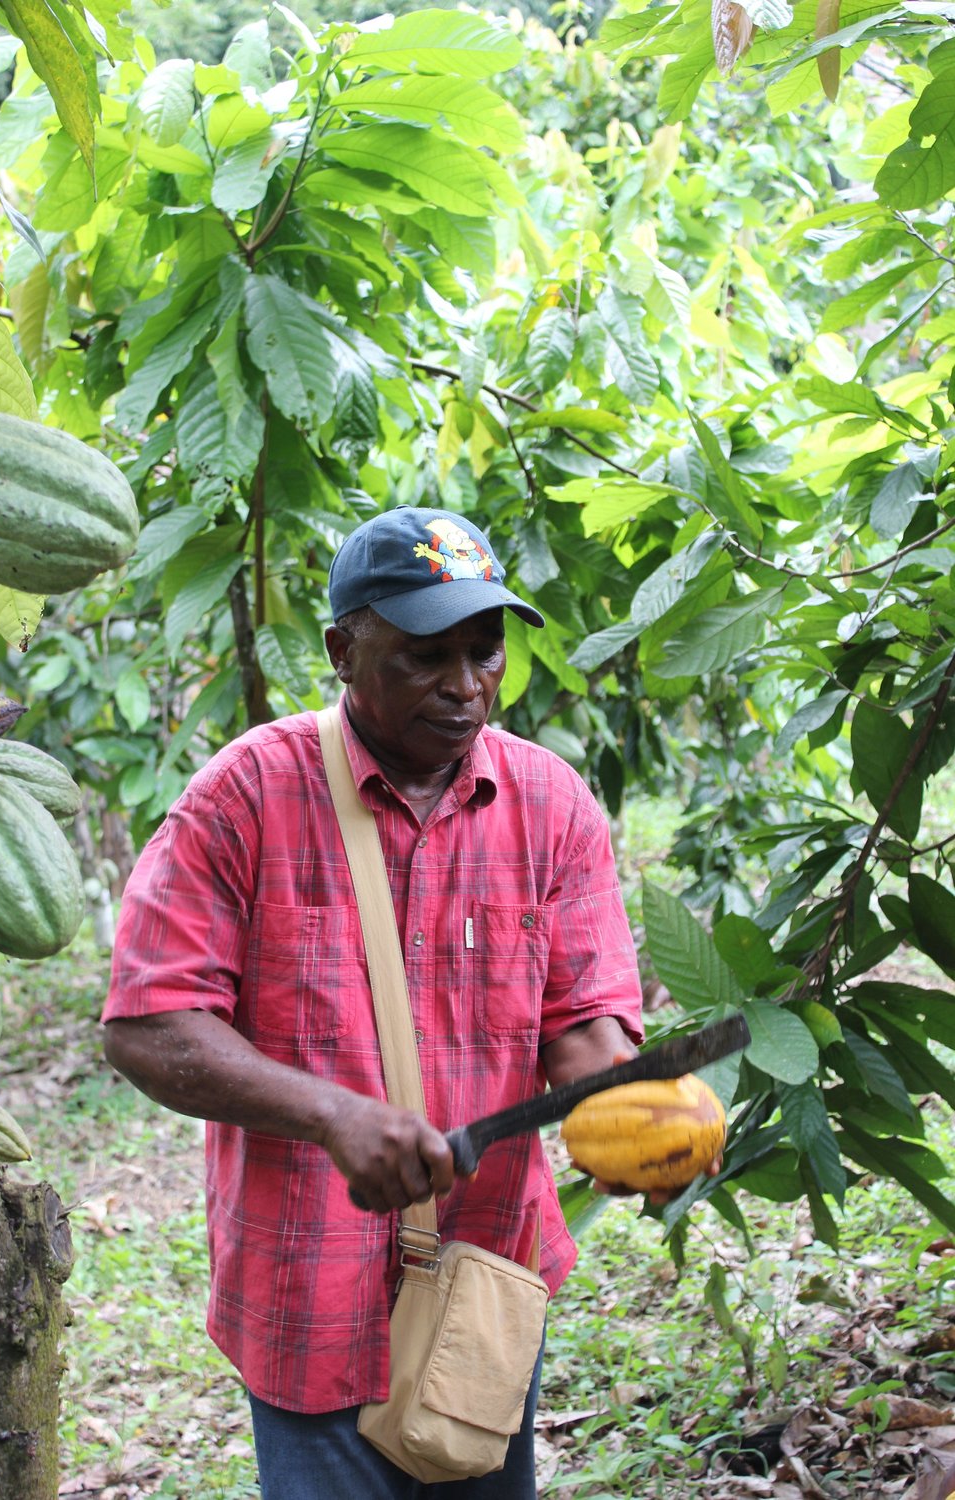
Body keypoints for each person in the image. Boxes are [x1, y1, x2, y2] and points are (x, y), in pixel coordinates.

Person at [101, 505, 647, 1500]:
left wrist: (623, 1106)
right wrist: (330, 1112)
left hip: (485, 1278)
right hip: (309, 1290)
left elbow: (582, 1020)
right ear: (343, 651)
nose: (463, 686)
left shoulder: (551, 803)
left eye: (484, 654)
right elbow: (147, 1023)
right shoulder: (248, 794)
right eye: (422, 658)